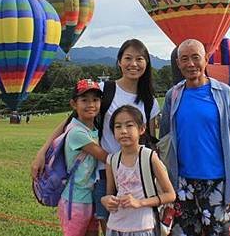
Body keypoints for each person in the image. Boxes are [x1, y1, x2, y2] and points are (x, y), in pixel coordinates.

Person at [32, 39, 161, 234]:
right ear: (119, 62)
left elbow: (150, 140)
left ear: (147, 63)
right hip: (104, 174)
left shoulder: (150, 102)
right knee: (110, 229)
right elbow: (69, 123)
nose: (133, 64)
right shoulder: (105, 90)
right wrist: (42, 152)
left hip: (138, 176)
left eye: (139, 59)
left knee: (139, 228)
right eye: (128, 58)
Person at [159, 39, 230, 236]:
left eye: (196, 57)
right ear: (178, 64)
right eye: (184, 59)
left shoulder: (224, 93)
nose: (190, 64)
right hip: (182, 183)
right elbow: (165, 139)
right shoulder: (173, 95)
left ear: (206, 59)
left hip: (217, 182)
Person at [101, 105, 175, 236]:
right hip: (116, 226)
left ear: (141, 129)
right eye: (118, 127)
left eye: (129, 125)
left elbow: (170, 195)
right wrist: (105, 200)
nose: (123, 131)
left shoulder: (150, 157)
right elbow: (110, 193)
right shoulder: (111, 160)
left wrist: (140, 202)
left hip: (143, 226)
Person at [57, 79, 108, 236]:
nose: (91, 104)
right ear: (74, 104)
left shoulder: (92, 129)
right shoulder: (77, 132)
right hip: (76, 199)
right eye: (84, 100)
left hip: (89, 197)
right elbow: (105, 157)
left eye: (95, 99)